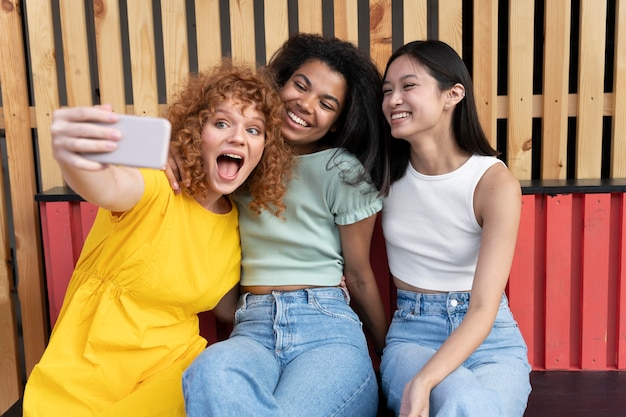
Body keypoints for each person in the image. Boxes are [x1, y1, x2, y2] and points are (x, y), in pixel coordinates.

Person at [22, 60, 293, 417]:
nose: (238, 137)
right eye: (222, 123)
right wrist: (75, 156)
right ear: (196, 132)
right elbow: (106, 184)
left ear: (263, 152)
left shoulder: (234, 227)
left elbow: (227, 308)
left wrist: (309, 284)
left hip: (172, 378)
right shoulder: (155, 185)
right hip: (87, 378)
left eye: (254, 130)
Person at [177, 33, 389, 417]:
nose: (305, 105)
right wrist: (168, 154)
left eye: (326, 103)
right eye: (300, 86)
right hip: (251, 329)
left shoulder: (339, 170)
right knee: (209, 372)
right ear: (280, 84)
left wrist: (385, 354)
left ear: (338, 123)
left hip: (325, 330)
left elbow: (359, 275)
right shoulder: (241, 158)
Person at [378, 40, 532, 417]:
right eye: (387, 91)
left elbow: (482, 307)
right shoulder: (381, 175)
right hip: (413, 334)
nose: (393, 100)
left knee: (476, 408)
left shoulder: (493, 183)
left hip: (490, 339)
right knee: (461, 399)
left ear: (453, 94)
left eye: (408, 86)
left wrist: (424, 381)